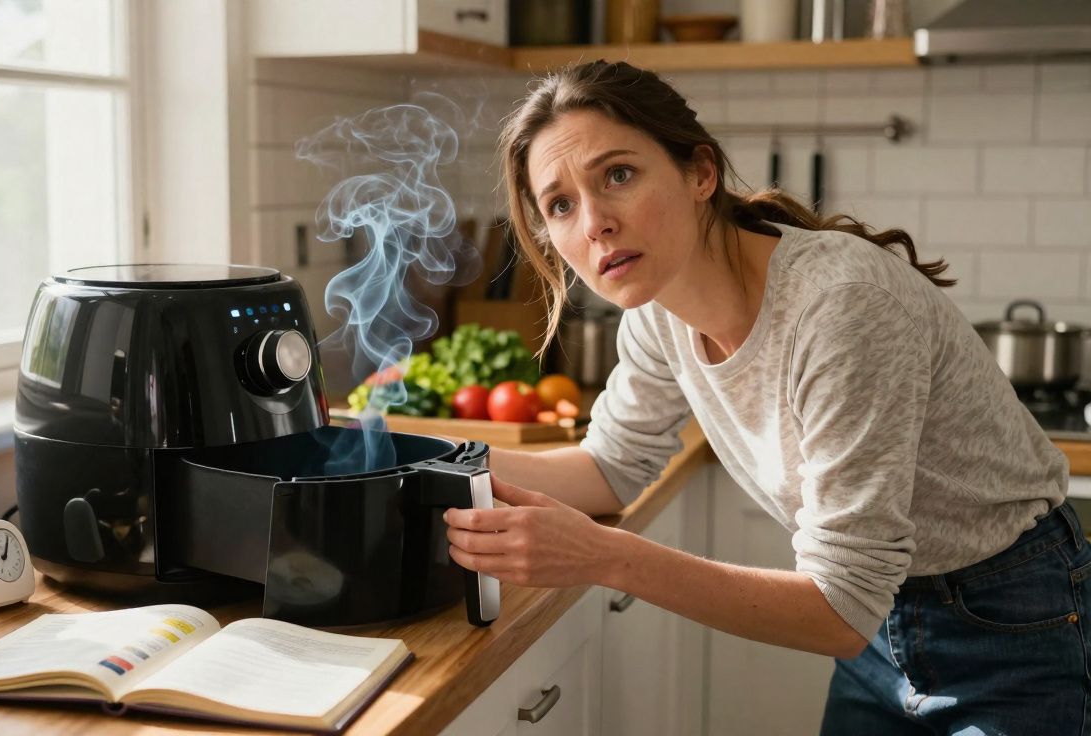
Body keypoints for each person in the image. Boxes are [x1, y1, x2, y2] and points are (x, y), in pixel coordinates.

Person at [442, 59, 1086, 734]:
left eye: (619, 175)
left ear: (700, 173)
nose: (595, 222)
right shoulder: (657, 312)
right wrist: (423, 452)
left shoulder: (841, 307)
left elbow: (838, 609)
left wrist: (604, 557)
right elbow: (608, 469)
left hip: (1013, 616)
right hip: (878, 625)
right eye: (561, 205)